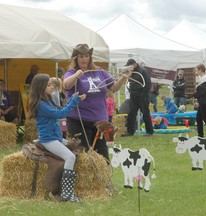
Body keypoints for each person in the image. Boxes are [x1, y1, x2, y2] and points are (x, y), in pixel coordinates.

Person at [63, 43, 131, 161]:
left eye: (86, 56)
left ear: (90, 57)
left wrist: (124, 77)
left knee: (102, 156)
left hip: (100, 122)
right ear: (76, 59)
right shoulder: (72, 72)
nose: (84, 59)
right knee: (82, 155)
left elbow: (113, 88)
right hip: (79, 120)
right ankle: (82, 179)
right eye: (81, 56)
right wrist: (76, 76)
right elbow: (66, 85)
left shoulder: (99, 71)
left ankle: (104, 180)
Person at [27, 73, 86, 202]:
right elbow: (60, 114)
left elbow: (59, 109)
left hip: (54, 138)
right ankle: (67, 193)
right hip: (49, 140)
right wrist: (74, 102)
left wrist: (72, 100)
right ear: (41, 87)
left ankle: (66, 191)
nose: (52, 86)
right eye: (49, 85)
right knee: (70, 156)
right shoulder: (42, 105)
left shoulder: (46, 100)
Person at [122, 59, 154, 137]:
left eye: (130, 66)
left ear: (135, 64)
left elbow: (148, 84)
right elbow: (130, 82)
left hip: (143, 96)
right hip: (133, 95)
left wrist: (143, 94)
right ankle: (130, 132)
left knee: (145, 113)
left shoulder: (143, 71)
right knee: (131, 113)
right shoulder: (131, 72)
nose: (129, 67)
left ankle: (149, 131)